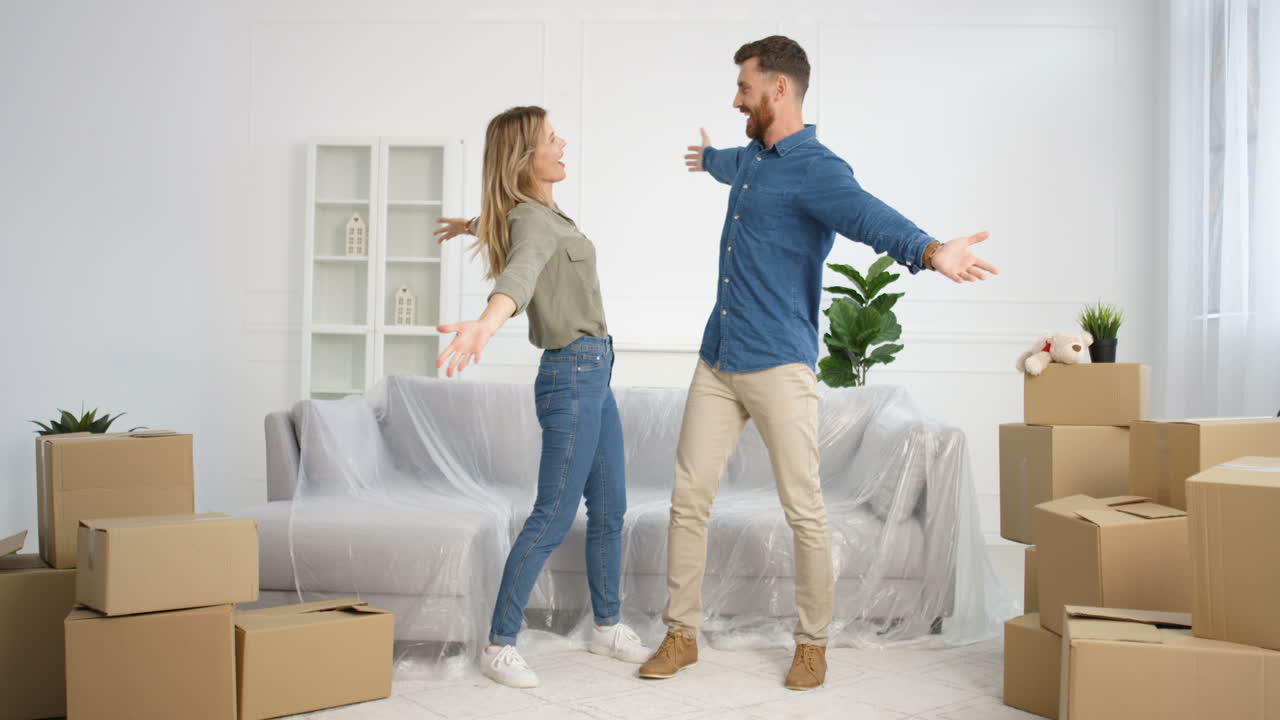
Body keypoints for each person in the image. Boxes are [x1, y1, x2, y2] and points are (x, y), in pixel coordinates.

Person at [637, 35, 999, 691]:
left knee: (802, 508)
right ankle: (681, 633)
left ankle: (811, 643)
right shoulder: (748, 158)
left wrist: (931, 249)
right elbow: (729, 164)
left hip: (779, 364)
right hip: (717, 359)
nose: (735, 98)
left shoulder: (818, 170)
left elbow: (868, 217)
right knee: (688, 500)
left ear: (779, 89)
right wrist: (707, 159)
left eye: (744, 87)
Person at [434, 105, 648, 689]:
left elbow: (527, 234)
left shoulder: (539, 214)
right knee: (552, 515)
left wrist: (475, 224)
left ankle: (606, 626)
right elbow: (521, 274)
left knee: (610, 510)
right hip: (572, 375)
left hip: (595, 375)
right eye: (552, 139)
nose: (563, 144)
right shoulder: (532, 221)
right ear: (525, 158)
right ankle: (499, 644)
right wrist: (485, 322)